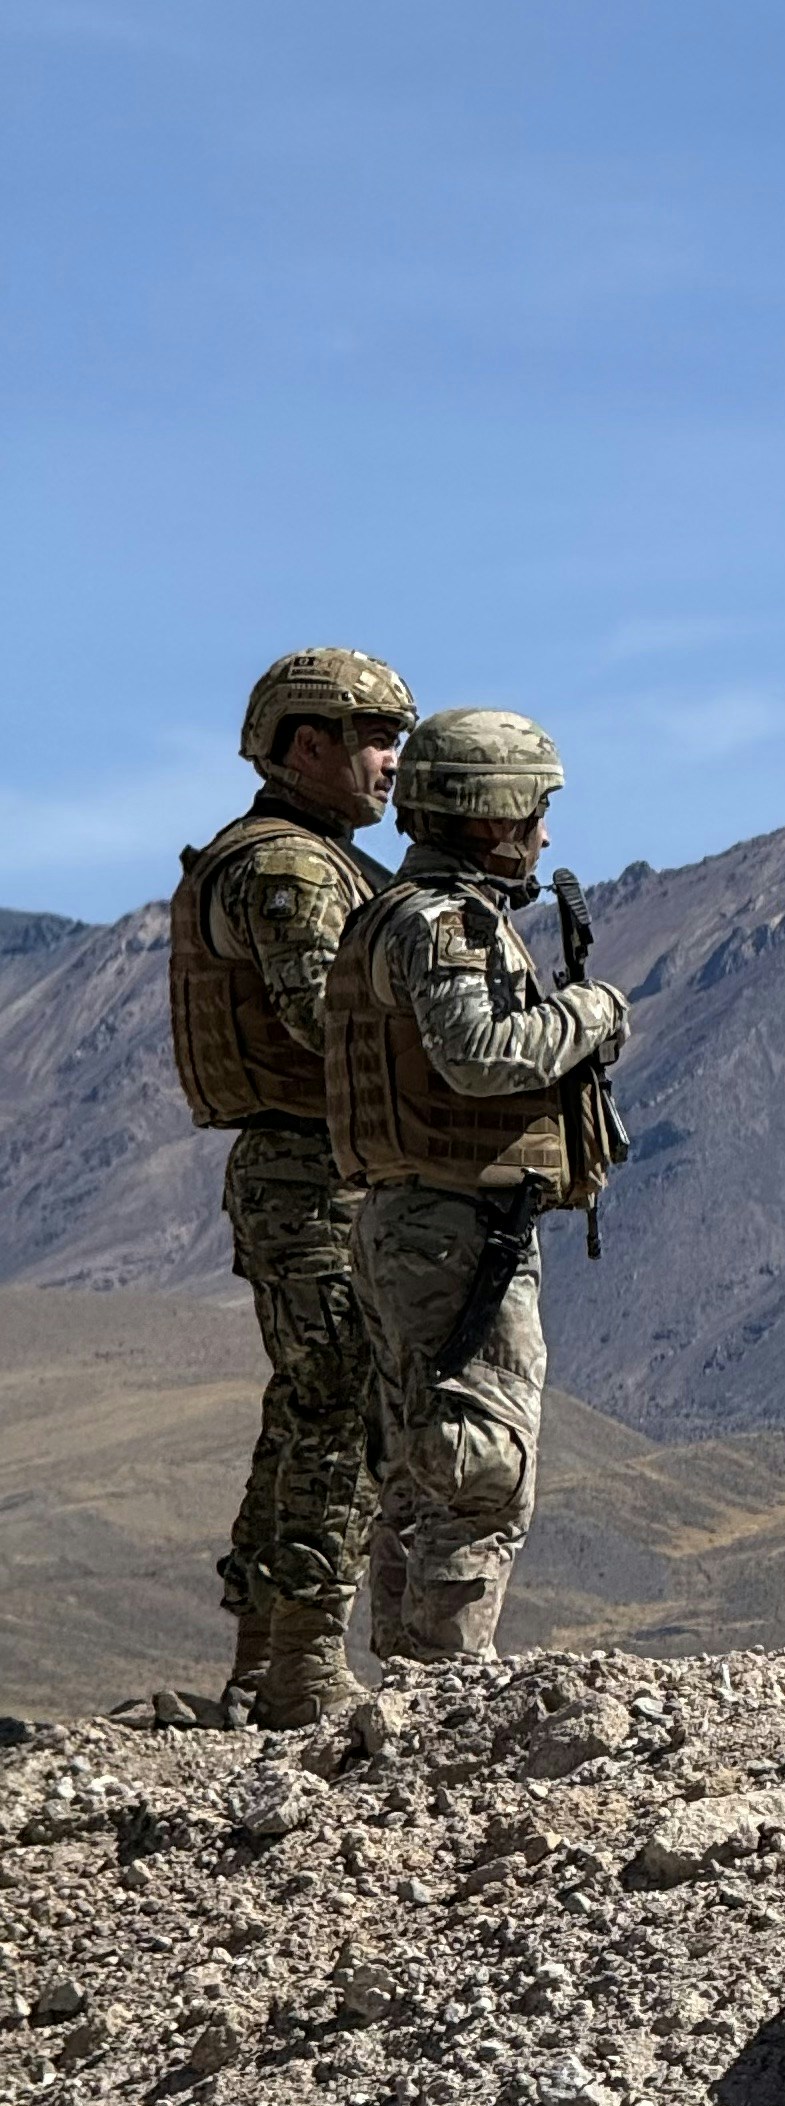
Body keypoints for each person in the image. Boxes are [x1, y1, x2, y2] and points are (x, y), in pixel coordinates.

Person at [323, 709, 629, 1660]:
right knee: (481, 1464)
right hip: (457, 1229)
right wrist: (591, 1014)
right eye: (535, 811)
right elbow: (479, 1053)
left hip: (429, 1222)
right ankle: (445, 1694)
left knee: (425, 1460)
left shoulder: (400, 913)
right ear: (492, 817)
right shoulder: (445, 924)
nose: (544, 834)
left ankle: (411, 1701)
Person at [167, 648, 415, 1726]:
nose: (390, 762)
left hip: (308, 1166)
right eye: (369, 739)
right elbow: (328, 1018)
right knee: (346, 1402)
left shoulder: (305, 857)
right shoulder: (294, 871)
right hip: (314, 1169)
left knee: (308, 1402)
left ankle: (264, 1664)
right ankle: (304, 1663)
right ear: (304, 747)